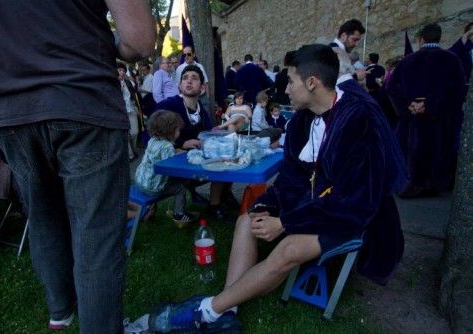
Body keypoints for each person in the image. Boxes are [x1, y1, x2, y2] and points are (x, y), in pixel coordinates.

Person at [131, 44, 406, 333]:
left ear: (312, 83)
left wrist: (285, 222)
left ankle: (208, 310)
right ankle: (228, 312)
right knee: (246, 220)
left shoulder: (358, 118)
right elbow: (291, 177)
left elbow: (352, 201)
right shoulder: (302, 119)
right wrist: (268, 206)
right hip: (311, 204)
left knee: (288, 248)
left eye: (291, 80)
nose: (285, 89)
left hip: (353, 215)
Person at [0, 1, 155, 333]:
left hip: (7, 104)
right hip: (81, 95)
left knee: (41, 212)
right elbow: (140, 40)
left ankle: (61, 308)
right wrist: (101, 38)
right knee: (96, 233)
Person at [387, 23, 466, 198]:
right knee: (438, 150)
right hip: (440, 118)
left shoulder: (407, 60)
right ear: (439, 38)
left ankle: (414, 184)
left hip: (413, 118)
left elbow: (391, 86)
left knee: (414, 150)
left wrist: (408, 106)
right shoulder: (452, 60)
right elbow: (459, 90)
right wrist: (432, 105)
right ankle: (433, 183)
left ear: (421, 39)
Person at [155, 65, 237, 221]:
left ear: (202, 87)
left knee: (228, 153)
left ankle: (223, 196)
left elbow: (206, 136)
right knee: (219, 164)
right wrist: (180, 144)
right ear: (180, 86)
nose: (189, 81)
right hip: (172, 161)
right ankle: (214, 206)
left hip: (192, 159)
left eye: (194, 78)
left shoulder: (203, 112)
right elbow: (151, 131)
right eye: (185, 78)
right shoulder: (169, 105)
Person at [135, 110, 196, 226]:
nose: (179, 132)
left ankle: (151, 209)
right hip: (153, 186)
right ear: (170, 131)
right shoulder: (167, 146)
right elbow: (172, 169)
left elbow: (160, 156)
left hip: (141, 180)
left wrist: (176, 151)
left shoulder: (153, 140)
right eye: (178, 130)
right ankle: (179, 214)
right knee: (180, 187)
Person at [117, 62, 141, 160]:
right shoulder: (114, 83)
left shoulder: (127, 82)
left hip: (131, 109)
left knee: (135, 132)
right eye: (119, 70)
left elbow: (133, 95)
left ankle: (134, 149)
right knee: (126, 134)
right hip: (121, 111)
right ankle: (130, 155)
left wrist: (136, 107)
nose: (121, 72)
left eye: (123, 70)